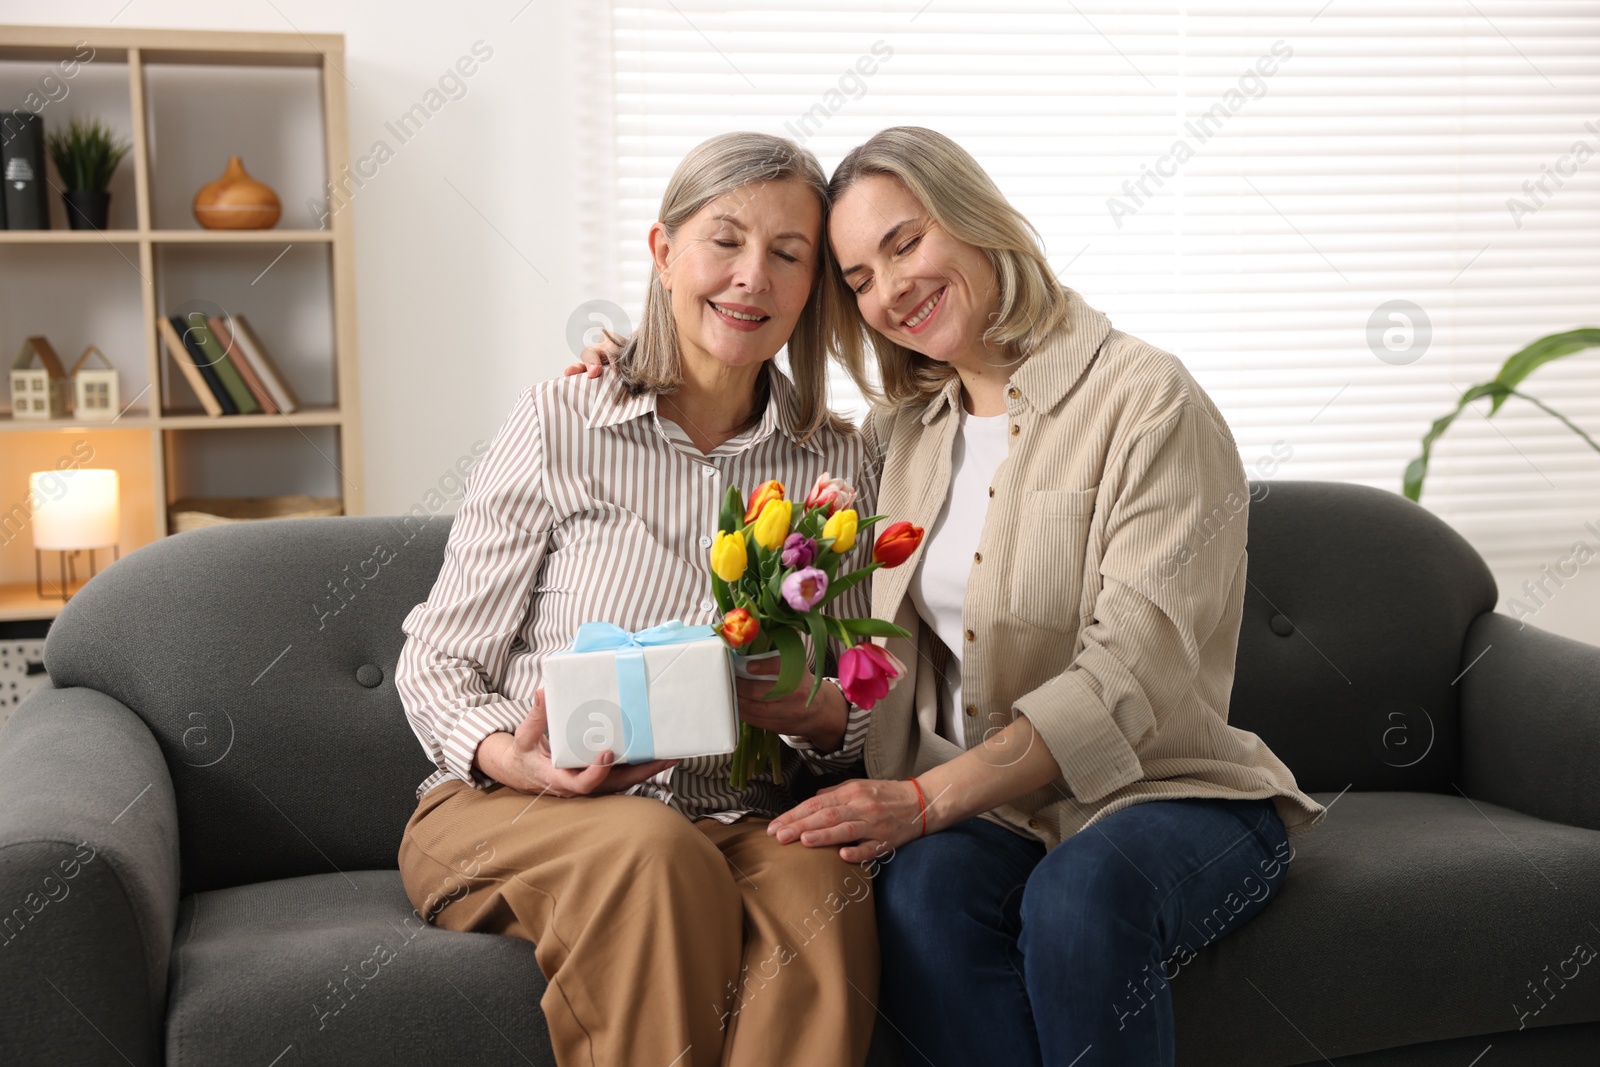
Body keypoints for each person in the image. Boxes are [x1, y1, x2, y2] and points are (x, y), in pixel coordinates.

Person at [571, 126, 1327, 1065]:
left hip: (1168, 793)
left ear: (975, 220)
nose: (890, 289)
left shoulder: (1148, 401)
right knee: (918, 895)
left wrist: (924, 800)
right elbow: (771, 445)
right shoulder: (907, 435)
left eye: (906, 243)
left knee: (1079, 899)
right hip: (998, 813)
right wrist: (637, 365)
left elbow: (1130, 670)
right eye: (855, 277)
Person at [396, 131, 882, 1067]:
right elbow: (438, 658)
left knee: (828, 889)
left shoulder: (838, 460)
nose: (752, 277)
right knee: (656, 852)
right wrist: (519, 757)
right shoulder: (560, 420)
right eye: (724, 241)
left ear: (813, 287)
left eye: (789, 255)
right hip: (518, 805)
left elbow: (858, 692)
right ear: (664, 255)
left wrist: (820, 712)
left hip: (741, 813)